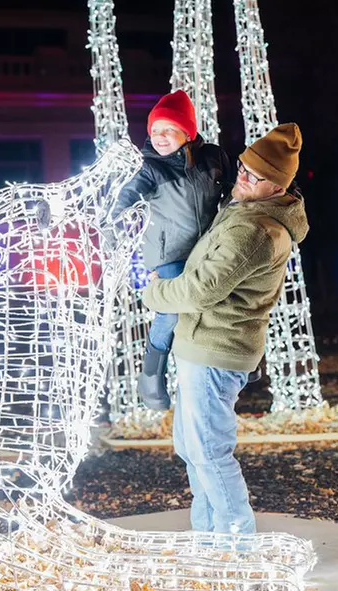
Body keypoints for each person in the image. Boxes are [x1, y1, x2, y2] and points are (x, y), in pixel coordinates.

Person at [141, 123, 307, 534]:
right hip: (202, 344)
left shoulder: (254, 230)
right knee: (193, 449)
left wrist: (154, 294)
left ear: (278, 187)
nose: (244, 179)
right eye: (244, 169)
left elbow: (200, 290)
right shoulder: (244, 210)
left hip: (216, 349)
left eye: (257, 177)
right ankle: (209, 540)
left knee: (209, 452)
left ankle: (237, 546)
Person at [107, 90, 232, 412]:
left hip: (208, 247)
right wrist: (118, 240)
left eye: (168, 130)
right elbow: (117, 208)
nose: (159, 137)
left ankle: (235, 359)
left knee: (227, 297)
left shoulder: (214, 157)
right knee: (174, 310)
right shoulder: (149, 169)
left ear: (187, 132)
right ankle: (151, 378)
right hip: (169, 254)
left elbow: (231, 194)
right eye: (154, 131)